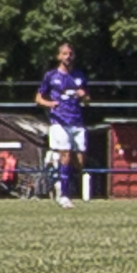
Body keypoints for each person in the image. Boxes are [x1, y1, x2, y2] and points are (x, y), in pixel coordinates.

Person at [39, 43, 89, 207]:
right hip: (59, 121)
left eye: (70, 54)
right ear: (59, 56)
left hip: (77, 121)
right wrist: (50, 104)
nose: (68, 57)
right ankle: (64, 195)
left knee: (80, 161)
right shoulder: (51, 76)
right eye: (65, 54)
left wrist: (84, 96)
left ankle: (58, 172)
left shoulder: (79, 76)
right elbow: (39, 98)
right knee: (66, 154)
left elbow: (87, 100)